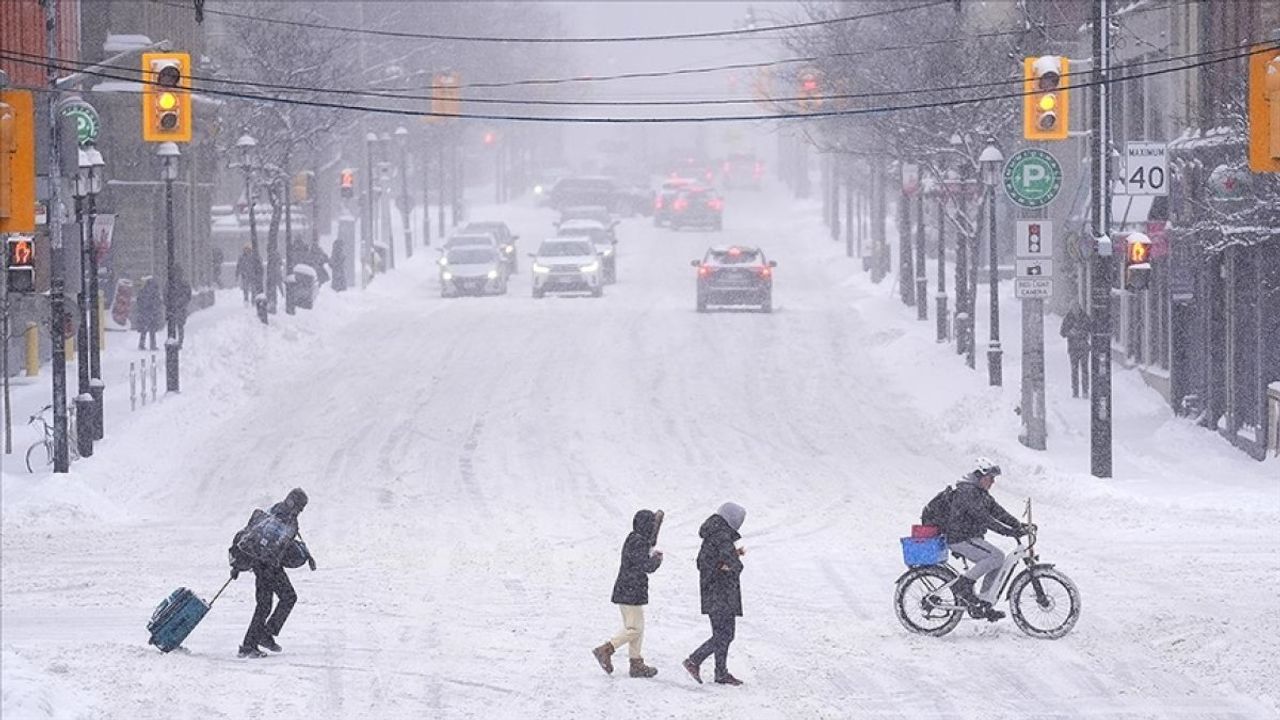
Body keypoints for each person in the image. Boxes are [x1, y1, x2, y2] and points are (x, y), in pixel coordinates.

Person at [231, 488, 315, 658]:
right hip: (267, 566)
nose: (300, 510)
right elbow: (273, 542)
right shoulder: (283, 516)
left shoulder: (277, 512)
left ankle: (259, 638)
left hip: (264, 564)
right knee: (282, 599)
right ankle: (253, 642)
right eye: (300, 506)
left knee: (270, 602)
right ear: (292, 502)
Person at [943, 458, 1030, 622]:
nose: (992, 482)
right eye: (991, 478)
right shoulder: (967, 492)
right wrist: (1008, 532)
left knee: (998, 559)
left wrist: (1018, 525)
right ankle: (963, 585)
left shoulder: (979, 493)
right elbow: (984, 518)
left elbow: (997, 512)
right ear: (980, 475)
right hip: (960, 538)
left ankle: (984, 603)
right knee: (995, 556)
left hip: (969, 537)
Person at [592, 510, 664, 678]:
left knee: (636, 627)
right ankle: (606, 649)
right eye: (651, 524)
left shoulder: (635, 538)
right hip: (630, 590)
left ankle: (636, 663)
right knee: (635, 629)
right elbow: (645, 566)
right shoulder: (638, 542)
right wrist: (656, 560)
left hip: (629, 589)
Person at [683, 502, 746, 686]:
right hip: (721, 592)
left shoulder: (715, 533)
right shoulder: (722, 536)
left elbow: (706, 561)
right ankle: (694, 660)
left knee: (722, 633)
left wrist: (728, 559)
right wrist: (731, 563)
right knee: (725, 634)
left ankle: (720, 672)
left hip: (714, 591)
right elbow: (733, 565)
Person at [1060, 303, 1090, 398]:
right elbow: (1062, 333)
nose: (1075, 310)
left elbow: (1091, 329)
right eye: (1073, 308)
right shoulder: (1068, 318)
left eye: (1077, 308)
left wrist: (1083, 332)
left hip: (1084, 347)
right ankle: (1075, 390)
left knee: (1085, 369)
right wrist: (1070, 332)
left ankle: (1085, 390)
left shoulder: (1085, 317)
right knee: (1074, 370)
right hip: (1073, 348)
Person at [134, 277, 163, 351]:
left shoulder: (142, 291)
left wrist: (142, 310)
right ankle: (153, 345)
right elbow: (158, 303)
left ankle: (141, 345)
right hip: (153, 313)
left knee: (144, 330)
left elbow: (139, 301)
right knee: (152, 331)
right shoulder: (155, 292)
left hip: (144, 313)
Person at [168, 266, 192, 348]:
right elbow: (188, 296)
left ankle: (174, 342)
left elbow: (166, 295)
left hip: (175, 309)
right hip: (179, 309)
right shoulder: (183, 284)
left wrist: (171, 304)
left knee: (175, 326)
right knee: (179, 327)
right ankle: (178, 342)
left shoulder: (171, 284)